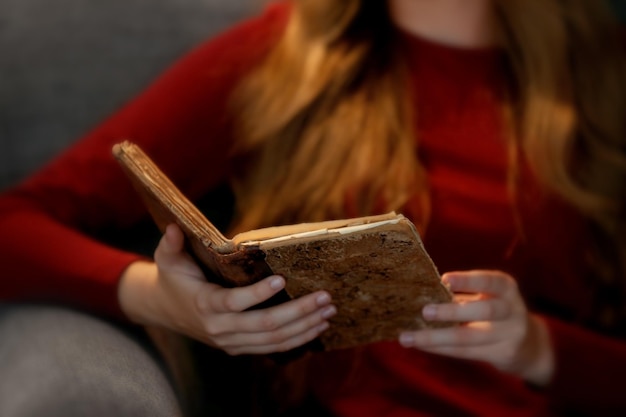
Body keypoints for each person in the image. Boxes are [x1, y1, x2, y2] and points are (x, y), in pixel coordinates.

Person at [1, 0, 625, 415]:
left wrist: (541, 348)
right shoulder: (285, 62)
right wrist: (161, 302)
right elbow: (15, 226)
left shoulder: (604, 75)